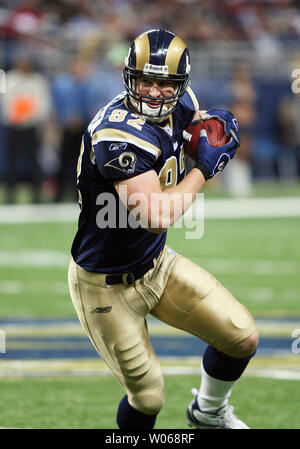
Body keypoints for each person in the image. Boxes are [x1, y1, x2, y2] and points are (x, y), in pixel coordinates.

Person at [68, 29, 259, 429]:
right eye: (146, 81)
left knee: (241, 336)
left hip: (155, 262)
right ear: (129, 79)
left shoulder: (184, 103)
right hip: (105, 284)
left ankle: (208, 412)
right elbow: (155, 214)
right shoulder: (118, 134)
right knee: (149, 396)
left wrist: (211, 134)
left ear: (181, 85)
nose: (155, 92)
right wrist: (204, 169)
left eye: (165, 83)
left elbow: (196, 133)